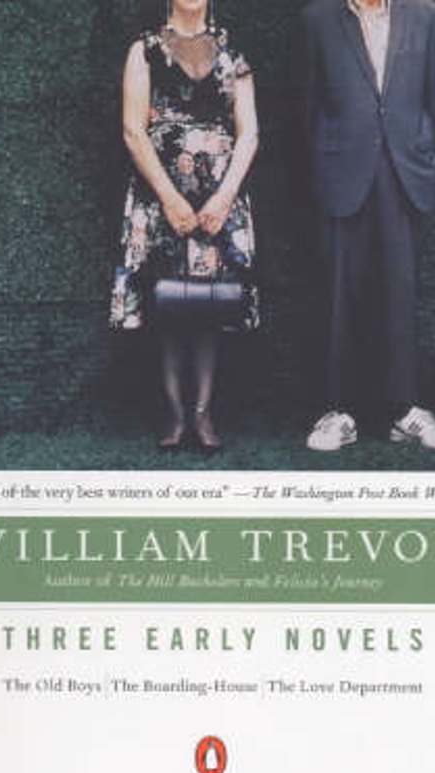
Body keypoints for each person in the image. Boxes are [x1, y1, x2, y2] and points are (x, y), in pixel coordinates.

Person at [294, 0, 435, 452]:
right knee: (337, 295)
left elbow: (433, 99)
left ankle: (406, 413)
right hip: (340, 172)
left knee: (401, 291)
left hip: (403, 171)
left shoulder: (426, 15)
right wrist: (325, 161)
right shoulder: (317, 19)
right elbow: (307, 104)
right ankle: (336, 413)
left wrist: (421, 150)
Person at [110, 0, 259, 451]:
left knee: (209, 305)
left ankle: (203, 415)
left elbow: (249, 133)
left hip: (219, 202)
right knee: (168, 302)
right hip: (160, 199)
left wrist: (224, 198)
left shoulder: (233, 51)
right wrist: (170, 198)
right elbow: (133, 130)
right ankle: (175, 415)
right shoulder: (144, 50)